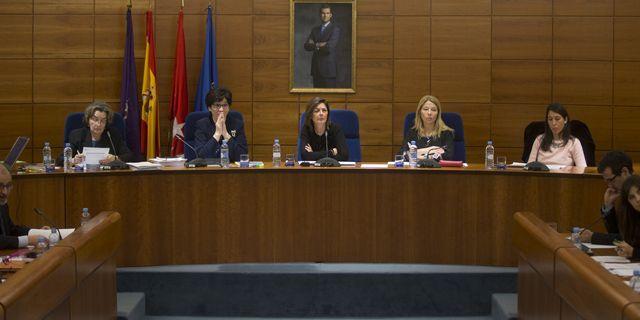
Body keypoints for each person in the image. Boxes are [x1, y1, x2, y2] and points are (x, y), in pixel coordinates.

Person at [580, 151, 634, 244]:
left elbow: (630, 239)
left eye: (611, 180)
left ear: (624, 172)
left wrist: (594, 237)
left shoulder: (636, 196)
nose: (609, 186)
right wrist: (608, 206)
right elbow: (616, 233)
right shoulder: (625, 194)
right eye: (606, 182)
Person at [60, 101, 133, 165]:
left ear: (106, 123)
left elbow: (129, 156)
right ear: (88, 121)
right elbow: (60, 160)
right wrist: (73, 160)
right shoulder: (77, 135)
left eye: (103, 121)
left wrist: (115, 158)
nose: (98, 124)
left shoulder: (112, 134)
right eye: (95, 120)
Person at [193, 87, 248, 162]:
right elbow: (201, 157)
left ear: (229, 107)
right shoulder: (202, 125)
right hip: (208, 171)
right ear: (209, 108)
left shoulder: (237, 124)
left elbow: (242, 156)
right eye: (217, 105)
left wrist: (226, 135)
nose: (221, 109)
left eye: (225, 105)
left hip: (232, 170)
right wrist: (217, 134)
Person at [399, 95, 454, 161]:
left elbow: (448, 156)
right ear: (419, 112)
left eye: (433, 110)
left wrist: (416, 154)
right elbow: (402, 155)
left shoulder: (446, 133)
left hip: (438, 170)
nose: (429, 113)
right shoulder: (412, 133)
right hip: (416, 170)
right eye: (425, 109)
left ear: (438, 113)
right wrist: (430, 150)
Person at [0, 164, 43, 249]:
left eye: (8, 186)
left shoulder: (3, 205)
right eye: (0, 186)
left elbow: (11, 230)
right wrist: (27, 240)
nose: (4, 192)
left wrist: (39, 233)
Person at [299, 97, 348, 161]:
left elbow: (344, 156)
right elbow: (305, 156)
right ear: (311, 115)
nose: (321, 113)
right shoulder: (306, 129)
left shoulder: (336, 129)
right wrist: (331, 152)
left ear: (328, 114)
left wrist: (313, 154)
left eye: (324, 110)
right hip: (313, 170)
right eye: (316, 111)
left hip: (333, 169)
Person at [303, 3, 340, 88]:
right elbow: (306, 46)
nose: (325, 15)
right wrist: (320, 44)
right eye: (323, 13)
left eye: (327, 13)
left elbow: (329, 48)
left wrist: (315, 44)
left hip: (328, 70)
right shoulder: (315, 30)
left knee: (329, 97)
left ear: (331, 15)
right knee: (317, 98)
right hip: (316, 69)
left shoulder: (335, 29)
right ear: (320, 15)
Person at [609, 175, 640, 259]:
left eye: (639, 192)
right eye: (632, 197)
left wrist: (634, 253)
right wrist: (625, 249)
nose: (638, 199)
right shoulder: (634, 218)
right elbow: (619, 236)